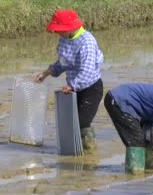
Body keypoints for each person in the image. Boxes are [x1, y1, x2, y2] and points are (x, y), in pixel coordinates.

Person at [33, 9, 104, 153]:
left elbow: (87, 70)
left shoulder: (87, 42)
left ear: (71, 27)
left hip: (91, 88)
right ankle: (75, 151)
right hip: (73, 88)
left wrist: (72, 85)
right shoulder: (64, 39)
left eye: (60, 30)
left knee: (83, 122)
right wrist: (46, 73)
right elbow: (63, 62)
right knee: (71, 122)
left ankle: (90, 152)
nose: (58, 33)